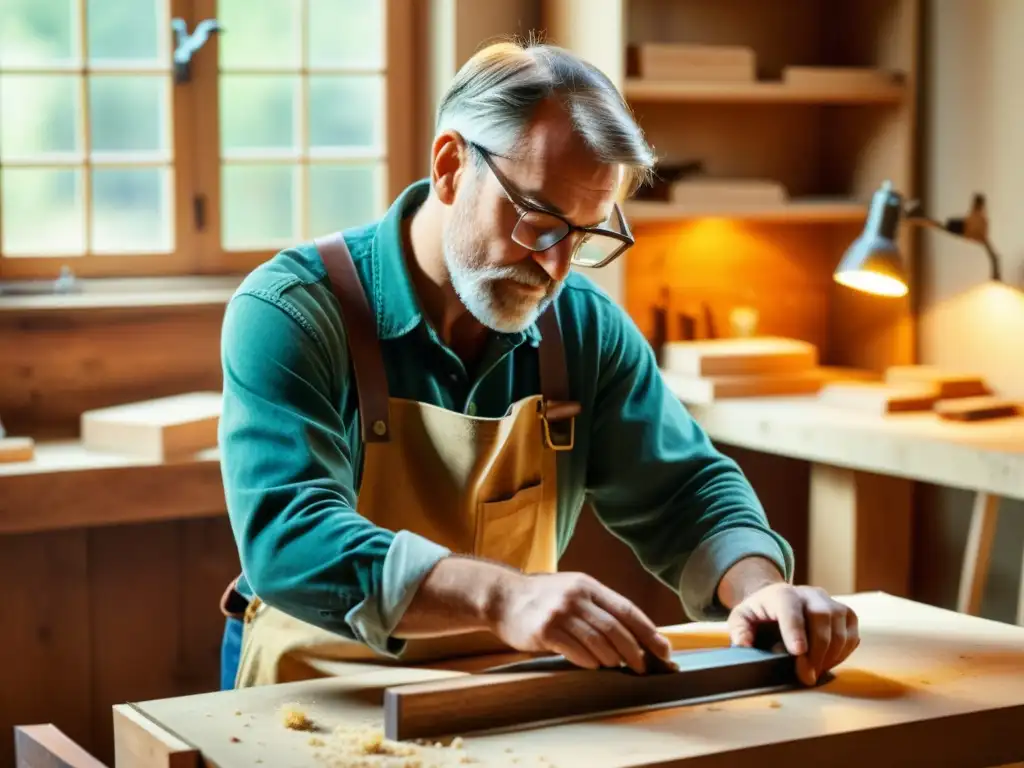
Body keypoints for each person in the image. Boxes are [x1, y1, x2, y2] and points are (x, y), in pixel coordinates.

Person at [216, 39, 859, 691]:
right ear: (449, 166)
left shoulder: (583, 327)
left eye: (584, 235)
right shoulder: (295, 311)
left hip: (499, 693)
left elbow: (686, 492)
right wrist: (504, 597)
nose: (554, 267)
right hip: (311, 691)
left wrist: (760, 585)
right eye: (537, 222)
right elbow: (289, 537)